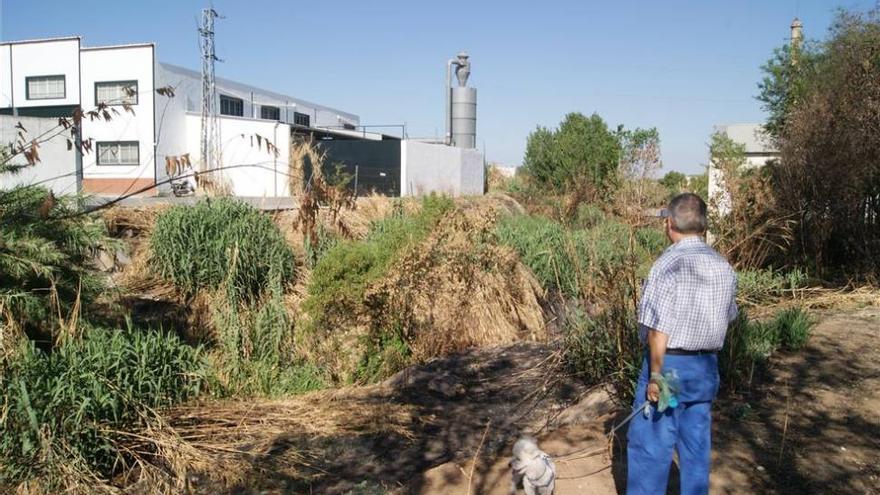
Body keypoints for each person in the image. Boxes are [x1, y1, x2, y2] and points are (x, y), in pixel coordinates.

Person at [626, 193, 738, 495]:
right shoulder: (722, 266)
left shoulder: (668, 264)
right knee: (696, 446)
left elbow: (657, 329)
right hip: (704, 369)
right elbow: (729, 317)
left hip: (669, 369)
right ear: (702, 225)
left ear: (669, 223)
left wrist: (656, 375)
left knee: (651, 447)